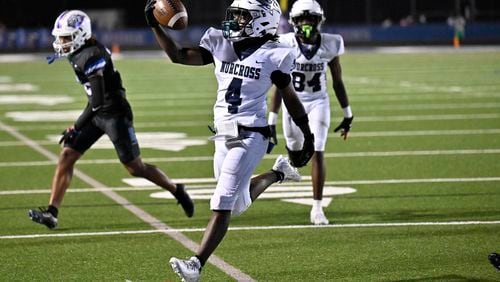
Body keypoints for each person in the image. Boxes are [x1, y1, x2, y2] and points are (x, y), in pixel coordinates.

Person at [144, 0, 315, 280]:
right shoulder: (220, 43)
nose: (234, 20)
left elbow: (290, 98)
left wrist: (306, 134)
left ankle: (195, 264)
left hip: (251, 135)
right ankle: (278, 173)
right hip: (223, 134)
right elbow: (177, 55)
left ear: (262, 20)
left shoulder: (275, 54)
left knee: (222, 201)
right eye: (234, 15)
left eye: (241, 16)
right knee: (236, 204)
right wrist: (154, 25)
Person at [28, 10, 194, 229]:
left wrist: (75, 127)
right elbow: (95, 103)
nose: (61, 42)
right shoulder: (79, 52)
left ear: (80, 35)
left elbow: (97, 100)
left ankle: (176, 190)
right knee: (67, 155)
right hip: (97, 114)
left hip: (115, 115)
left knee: (135, 168)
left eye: (66, 37)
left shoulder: (92, 54)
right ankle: (52, 212)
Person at [269, 0, 354, 225]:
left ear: (319, 21)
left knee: (317, 149)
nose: (307, 24)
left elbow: (337, 81)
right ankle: (289, 166)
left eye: (312, 19)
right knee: (296, 156)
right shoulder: (285, 43)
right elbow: (280, 83)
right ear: (294, 22)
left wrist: (348, 113)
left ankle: (317, 208)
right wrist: (272, 119)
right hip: (292, 104)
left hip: (319, 102)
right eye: (302, 20)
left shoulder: (331, 44)